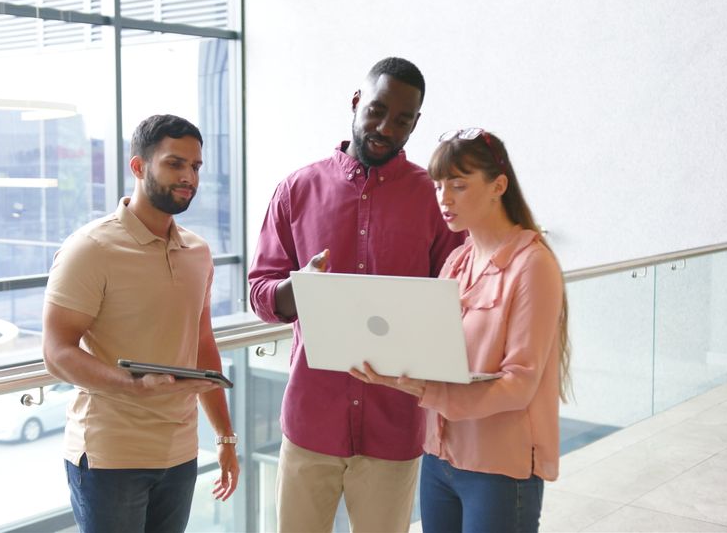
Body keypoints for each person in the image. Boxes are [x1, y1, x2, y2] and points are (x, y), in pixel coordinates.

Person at [248, 57, 464, 532]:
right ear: (355, 102)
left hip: (395, 427)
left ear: (415, 124)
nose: (386, 128)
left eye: (402, 119)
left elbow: (458, 302)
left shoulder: (434, 200)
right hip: (310, 422)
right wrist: (299, 288)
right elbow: (260, 292)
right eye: (377, 111)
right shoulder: (296, 190)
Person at [350, 127, 571, 533]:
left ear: (498, 186)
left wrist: (427, 390)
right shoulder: (457, 261)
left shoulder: (532, 265)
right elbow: (435, 354)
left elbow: (519, 384)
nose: (444, 198)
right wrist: (390, 367)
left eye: (458, 185)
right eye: (438, 186)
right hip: (439, 459)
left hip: (498, 469)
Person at [42, 114, 239, 533]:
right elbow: (56, 353)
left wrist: (224, 436)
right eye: (175, 164)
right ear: (138, 166)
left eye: (196, 166)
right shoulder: (90, 248)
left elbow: (202, 342)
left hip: (181, 452)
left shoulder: (198, 252)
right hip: (110, 457)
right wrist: (133, 385)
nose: (189, 177)